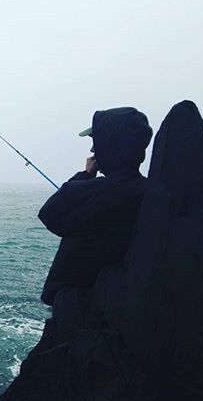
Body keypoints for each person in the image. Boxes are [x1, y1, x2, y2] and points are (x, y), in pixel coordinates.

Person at [38, 107, 153, 307]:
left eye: (96, 143)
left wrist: (86, 175)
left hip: (78, 304)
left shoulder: (92, 191)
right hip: (123, 300)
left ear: (110, 146)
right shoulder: (149, 191)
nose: (92, 150)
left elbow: (50, 215)